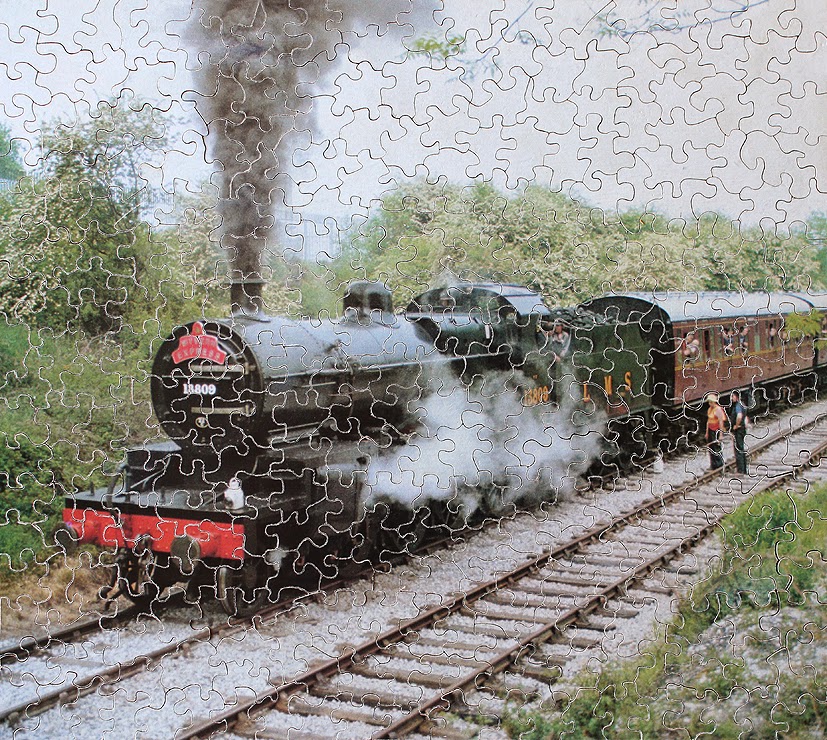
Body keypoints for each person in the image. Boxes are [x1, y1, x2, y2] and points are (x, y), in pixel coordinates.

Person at [705, 392, 728, 471]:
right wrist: (707, 432)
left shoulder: (718, 409)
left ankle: (720, 464)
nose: (709, 403)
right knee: (711, 447)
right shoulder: (709, 409)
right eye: (709, 402)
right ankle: (713, 464)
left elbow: (721, 422)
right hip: (711, 429)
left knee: (716, 447)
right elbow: (708, 421)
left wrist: (721, 434)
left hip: (716, 430)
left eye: (711, 402)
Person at [728, 390, 748, 474]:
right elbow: (746, 418)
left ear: (736, 397)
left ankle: (740, 470)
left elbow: (739, 416)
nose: (731, 398)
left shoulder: (738, 406)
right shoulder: (743, 404)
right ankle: (743, 469)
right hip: (742, 429)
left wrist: (736, 425)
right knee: (741, 448)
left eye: (732, 397)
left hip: (738, 430)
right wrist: (744, 425)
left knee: (738, 450)